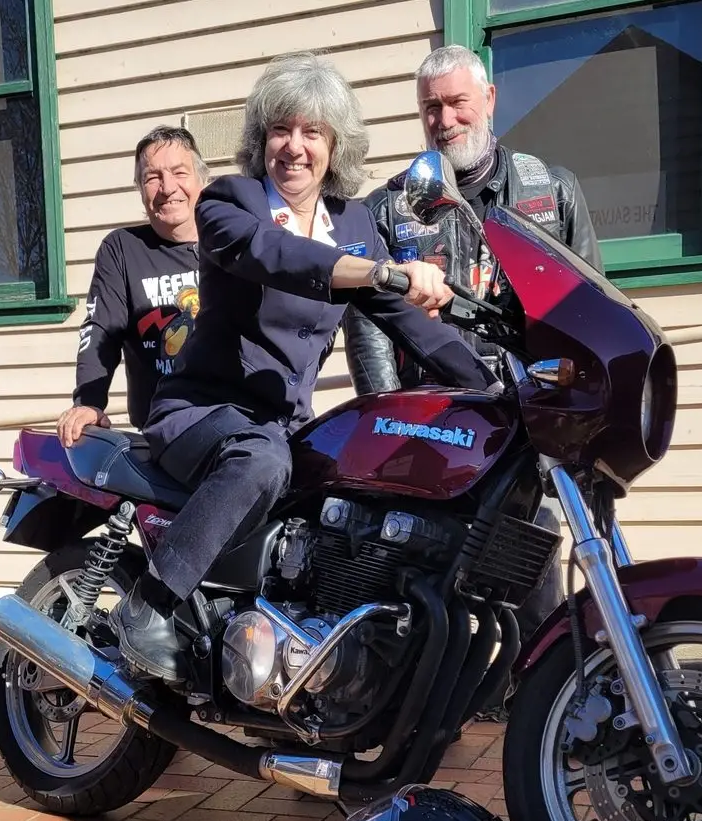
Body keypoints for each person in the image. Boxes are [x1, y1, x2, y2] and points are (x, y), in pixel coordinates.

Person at [110, 53, 499, 687]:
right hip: (202, 412)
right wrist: (376, 271)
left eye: (312, 132)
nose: (294, 147)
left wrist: (495, 388)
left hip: (284, 422)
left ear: (334, 145)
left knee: (351, 499)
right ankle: (150, 603)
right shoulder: (228, 202)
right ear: (261, 137)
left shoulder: (353, 224)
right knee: (262, 461)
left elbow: (412, 323)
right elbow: (274, 255)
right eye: (281, 130)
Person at [346, 45, 598, 704]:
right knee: (409, 576)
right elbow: (368, 320)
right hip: (429, 429)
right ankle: (397, 716)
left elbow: (585, 311)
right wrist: (387, 415)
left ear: (489, 100)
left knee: (533, 574)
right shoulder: (390, 207)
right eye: (431, 106)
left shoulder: (554, 190)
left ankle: (550, 713)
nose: (445, 117)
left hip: (522, 429)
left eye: (458, 101)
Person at [57, 125, 209, 447]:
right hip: (165, 431)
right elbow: (101, 330)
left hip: (235, 417)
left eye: (179, 172)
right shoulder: (123, 249)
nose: (167, 188)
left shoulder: (231, 241)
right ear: (140, 189)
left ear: (201, 179)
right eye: (152, 177)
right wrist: (89, 401)